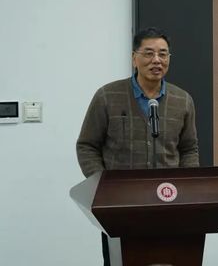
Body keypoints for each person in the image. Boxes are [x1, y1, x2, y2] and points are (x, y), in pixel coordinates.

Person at [76, 27, 200, 265]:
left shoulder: (183, 100)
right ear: (134, 58)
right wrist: (102, 186)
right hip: (120, 206)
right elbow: (87, 146)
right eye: (149, 53)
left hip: (169, 204)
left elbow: (189, 149)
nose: (157, 60)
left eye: (163, 54)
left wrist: (188, 187)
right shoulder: (107, 96)